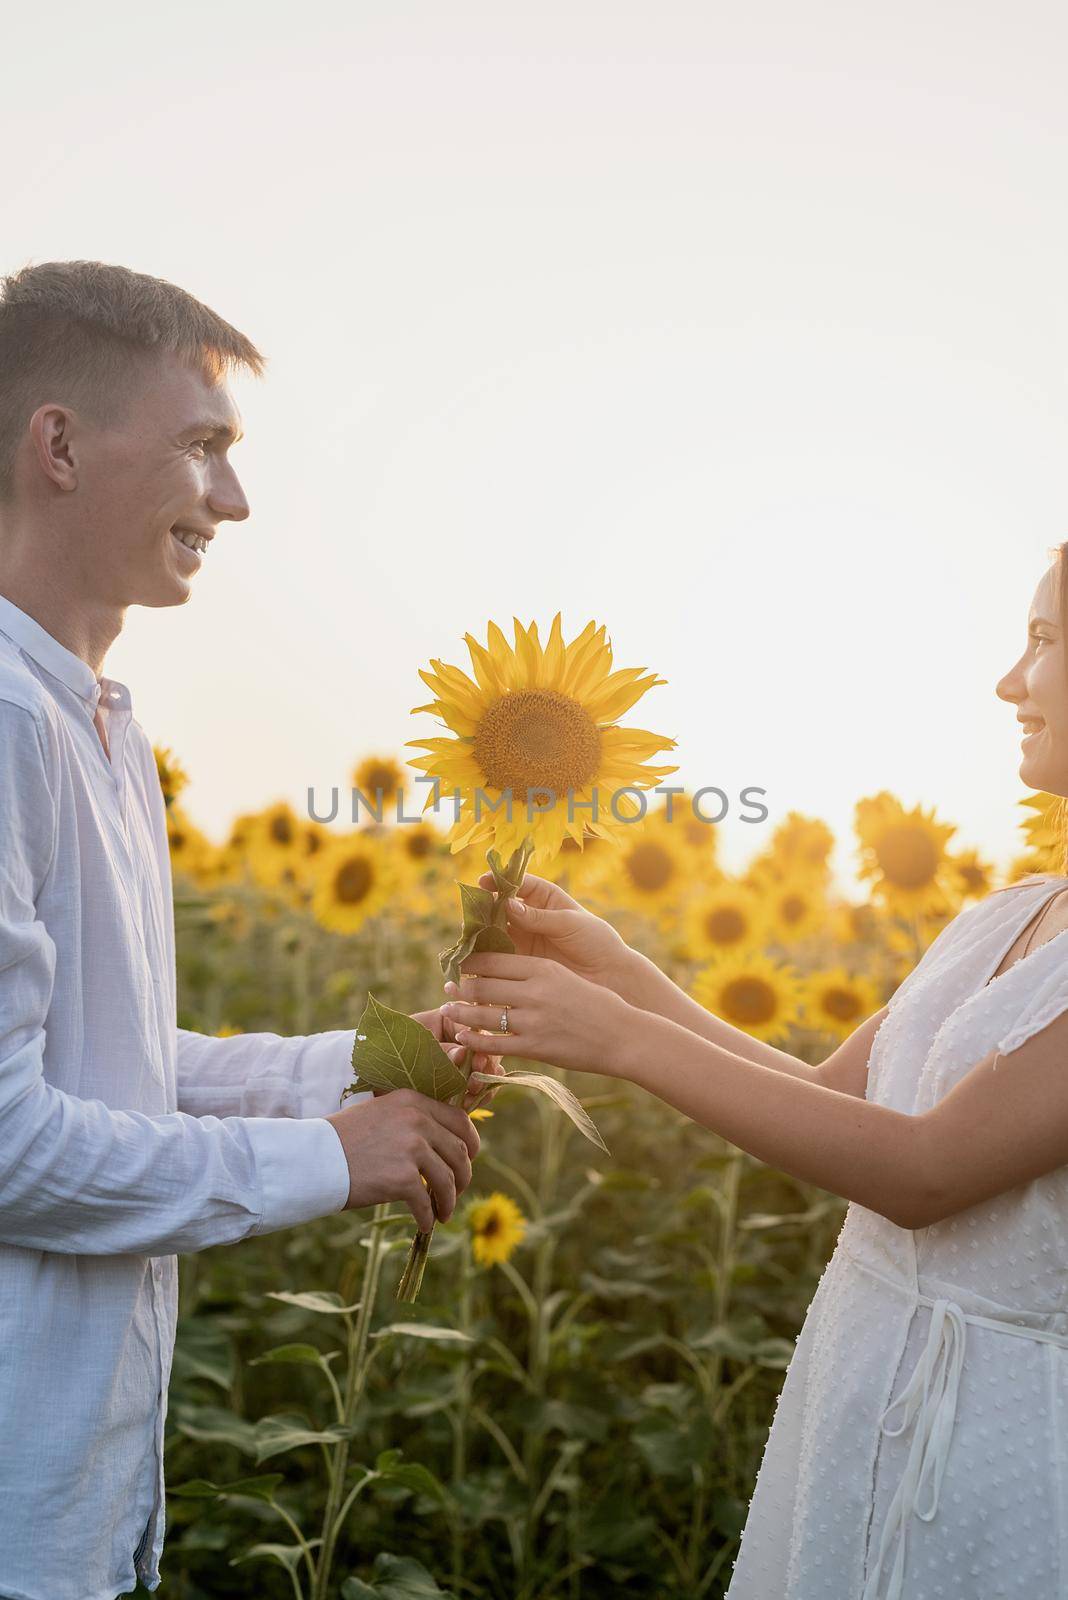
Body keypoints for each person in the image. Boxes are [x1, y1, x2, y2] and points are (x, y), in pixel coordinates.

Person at [0, 258, 501, 1600]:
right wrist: (325, 1160)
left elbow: (100, 1063)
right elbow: (4, 1144)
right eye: (201, 448)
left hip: (76, 1482)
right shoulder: (1, 725)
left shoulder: (94, 723)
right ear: (57, 445)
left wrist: (351, 1065)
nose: (234, 498)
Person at [443, 544, 1068, 1600]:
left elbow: (924, 1171)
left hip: (998, 1440)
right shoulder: (1003, 918)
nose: (1010, 679)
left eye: (1045, 641)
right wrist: (631, 978)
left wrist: (618, 1039)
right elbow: (832, 1102)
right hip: (861, 1392)